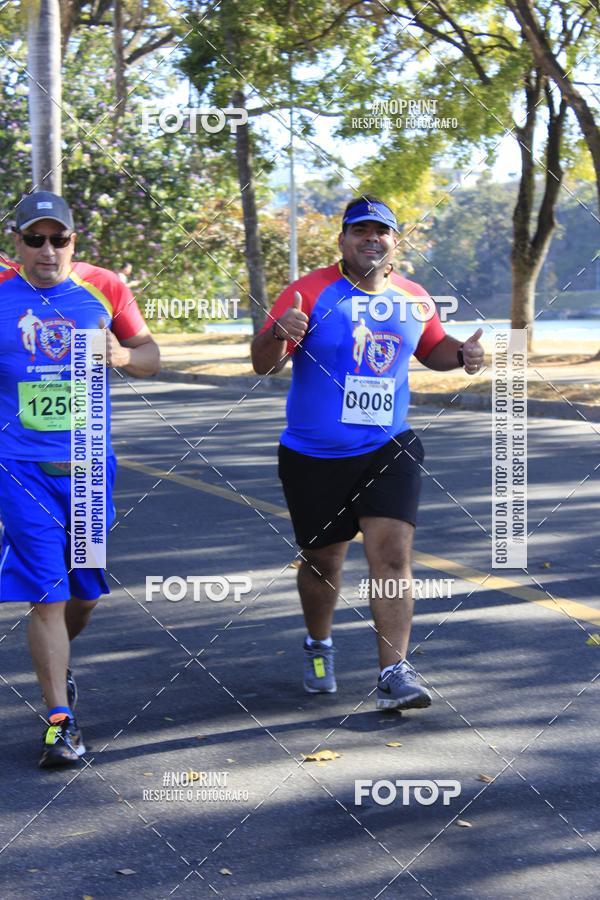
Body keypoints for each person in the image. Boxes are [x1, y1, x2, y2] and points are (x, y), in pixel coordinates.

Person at [251, 196, 483, 710]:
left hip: (387, 445)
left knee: (393, 553)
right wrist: (276, 334)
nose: (371, 240)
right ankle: (319, 642)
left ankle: (394, 673)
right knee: (322, 563)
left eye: (381, 232)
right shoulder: (308, 291)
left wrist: (462, 355)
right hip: (314, 454)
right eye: (360, 231)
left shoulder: (414, 296)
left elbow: (433, 350)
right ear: (343, 240)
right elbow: (263, 364)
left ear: (395, 241)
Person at [0, 191, 160, 767]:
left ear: (73, 240)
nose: (48, 250)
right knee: (47, 591)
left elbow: (150, 355)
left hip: (91, 467)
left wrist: (123, 358)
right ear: (15, 241)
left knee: (82, 594)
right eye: (34, 238)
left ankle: (59, 670)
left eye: (59, 238)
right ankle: (60, 721)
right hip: (19, 468)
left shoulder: (103, 290)